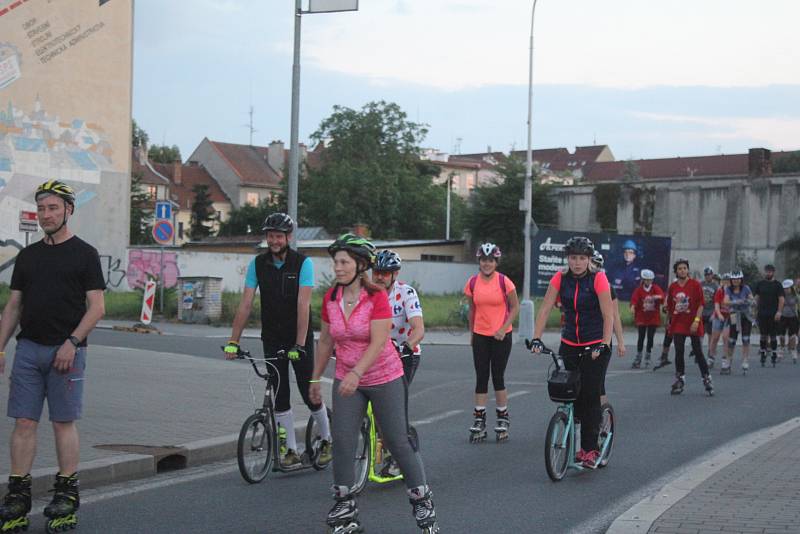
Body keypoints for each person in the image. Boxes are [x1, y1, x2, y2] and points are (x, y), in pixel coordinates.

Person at [309, 234, 438, 533]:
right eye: (335, 261)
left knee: (396, 440)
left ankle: (422, 502)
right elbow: (326, 340)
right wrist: (315, 377)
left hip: (383, 375)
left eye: (344, 262)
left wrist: (357, 373)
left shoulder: (376, 297)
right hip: (346, 376)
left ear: (359, 265)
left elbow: (380, 341)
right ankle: (345, 507)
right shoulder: (331, 297)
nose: (337, 267)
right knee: (342, 440)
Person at [0, 180, 106, 532]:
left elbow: (97, 307)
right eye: (41, 209)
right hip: (28, 349)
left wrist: (72, 342)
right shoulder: (28, 257)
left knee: (63, 422)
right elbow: (13, 305)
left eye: (53, 208)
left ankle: (66, 496)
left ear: (68, 210)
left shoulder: (85, 254)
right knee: (24, 423)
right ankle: (17, 497)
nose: (46, 215)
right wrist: (1, 346)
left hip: (67, 352)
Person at [222, 212, 331, 469]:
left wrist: (299, 344)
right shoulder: (258, 264)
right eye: (270, 236)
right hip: (271, 337)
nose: (274, 241)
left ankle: (327, 439)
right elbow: (246, 304)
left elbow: (303, 305)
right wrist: (233, 341)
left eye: (279, 236)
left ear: (289, 237)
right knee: (279, 394)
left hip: (298, 338)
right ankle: (290, 451)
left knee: (309, 393)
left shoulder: (303, 264)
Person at [530, 237, 614, 469]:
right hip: (569, 343)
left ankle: (590, 449)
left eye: (582, 258)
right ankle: (574, 435)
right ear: (568, 259)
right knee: (569, 392)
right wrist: (537, 338)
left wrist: (605, 343)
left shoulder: (598, 278)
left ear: (589, 260)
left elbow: (608, 315)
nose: (577, 263)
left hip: (595, 344)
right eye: (573, 258)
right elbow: (546, 308)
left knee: (589, 395)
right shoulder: (560, 278)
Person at [371, 249, 425, 477]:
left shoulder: (406, 293)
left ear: (395, 274)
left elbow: (419, 328)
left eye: (386, 273)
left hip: (404, 355)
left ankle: (398, 456)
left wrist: (407, 344)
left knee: (390, 407)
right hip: (376, 354)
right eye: (377, 272)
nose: (380, 277)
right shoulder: (369, 293)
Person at [464, 243, 520, 443]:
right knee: (481, 377)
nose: (486, 264)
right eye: (483, 260)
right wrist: (472, 333)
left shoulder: (505, 282)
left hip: (501, 336)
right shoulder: (472, 283)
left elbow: (515, 307)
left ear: (496, 262)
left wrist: (503, 328)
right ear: (479, 261)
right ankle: (479, 419)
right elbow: (472, 310)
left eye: (490, 260)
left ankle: (502, 417)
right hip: (480, 335)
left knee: (498, 376)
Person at [665, 258, 714, 395]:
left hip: (693, 321)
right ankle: (680, 378)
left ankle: (707, 378)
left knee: (698, 351)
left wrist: (697, 321)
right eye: (680, 268)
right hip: (678, 322)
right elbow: (670, 306)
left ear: (688, 270)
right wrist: (668, 321)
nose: (682, 270)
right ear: (676, 271)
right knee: (679, 351)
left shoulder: (695, 285)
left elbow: (701, 304)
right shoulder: (673, 287)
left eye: (685, 268)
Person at [589, 250, 624, 406]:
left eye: (595, 264)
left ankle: (601, 420)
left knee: (597, 383)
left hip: (601, 339)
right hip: (581, 339)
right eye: (590, 262)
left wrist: (620, 342)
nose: (591, 266)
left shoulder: (606, 287)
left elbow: (615, 316)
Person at [630, 269, 665, 368]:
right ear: (643, 280)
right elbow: (634, 300)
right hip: (642, 316)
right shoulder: (639, 290)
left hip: (653, 317)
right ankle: (638, 356)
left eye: (650, 280)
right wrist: (633, 307)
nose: (648, 282)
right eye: (646, 280)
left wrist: (658, 298)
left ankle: (648, 355)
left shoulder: (655, 288)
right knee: (641, 337)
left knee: (650, 337)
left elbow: (662, 296)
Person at [723, 270, 755, 374]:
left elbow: (752, 299)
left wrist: (750, 301)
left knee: (745, 339)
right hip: (734, 315)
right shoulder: (728, 289)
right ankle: (728, 360)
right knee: (732, 340)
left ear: (741, 280)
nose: (736, 281)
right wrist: (736, 301)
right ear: (731, 280)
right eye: (734, 279)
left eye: (738, 279)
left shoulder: (746, 288)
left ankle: (745, 360)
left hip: (745, 315)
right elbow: (725, 301)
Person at [754, 264, 784, 367]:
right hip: (762, 313)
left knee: (773, 336)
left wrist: (779, 312)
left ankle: (774, 354)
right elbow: (757, 297)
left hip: (773, 314)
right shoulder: (760, 284)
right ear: (764, 272)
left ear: (773, 272)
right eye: (767, 271)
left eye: (770, 271)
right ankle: (763, 353)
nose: (768, 273)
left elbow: (781, 299)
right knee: (763, 335)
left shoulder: (778, 285)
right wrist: (754, 310)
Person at [711, 273, 732, 373]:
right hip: (719, 315)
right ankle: (711, 356)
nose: (726, 283)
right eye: (724, 281)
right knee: (715, 338)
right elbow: (716, 305)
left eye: (728, 281)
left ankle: (725, 360)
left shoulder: (733, 292)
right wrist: (719, 314)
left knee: (725, 338)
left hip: (729, 317)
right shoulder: (720, 291)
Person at [700, 267, 719, 368]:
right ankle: (698, 353)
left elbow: (717, 301)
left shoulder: (716, 286)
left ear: (712, 275)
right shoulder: (701, 284)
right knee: (700, 334)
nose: (708, 276)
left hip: (711, 312)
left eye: (709, 274)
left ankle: (710, 354)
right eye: (706, 275)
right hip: (702, 312)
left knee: (711, 335)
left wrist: (714, 313)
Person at [777, 279, 799, 364]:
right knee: (782, 335)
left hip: (793, 317)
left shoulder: (796, 296)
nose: (786, 290)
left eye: (788, 288)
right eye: (785, 288)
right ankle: (782, 348)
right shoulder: (781, 296)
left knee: (792, 336)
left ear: (791, 288)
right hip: (783, 316)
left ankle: (793, 351)